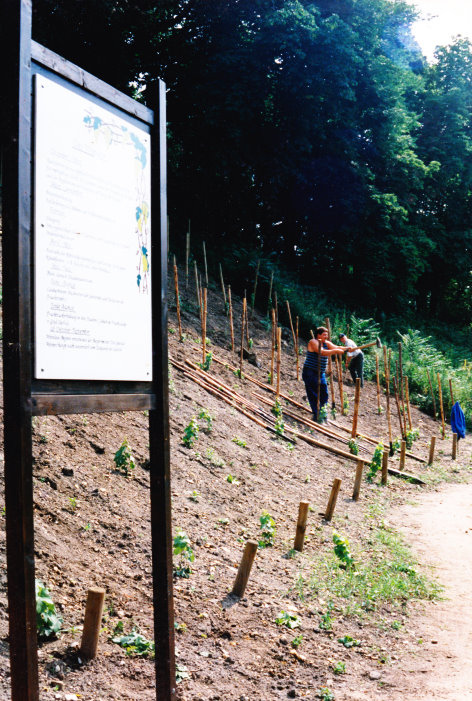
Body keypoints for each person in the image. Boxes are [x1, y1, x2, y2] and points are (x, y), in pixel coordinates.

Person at [302, 327, 348, 421]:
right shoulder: (313, 342)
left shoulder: (326, 343)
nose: (326, 336)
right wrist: (336, 351)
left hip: (321, 372)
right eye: (324, 334)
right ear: (318, 335)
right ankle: (316, 414)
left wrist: (348, 349)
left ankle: (322, 412)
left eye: (327, 334)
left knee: (324, 393)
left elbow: (337, 347)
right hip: (310, 371)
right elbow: (322, 352)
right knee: (313, 393)